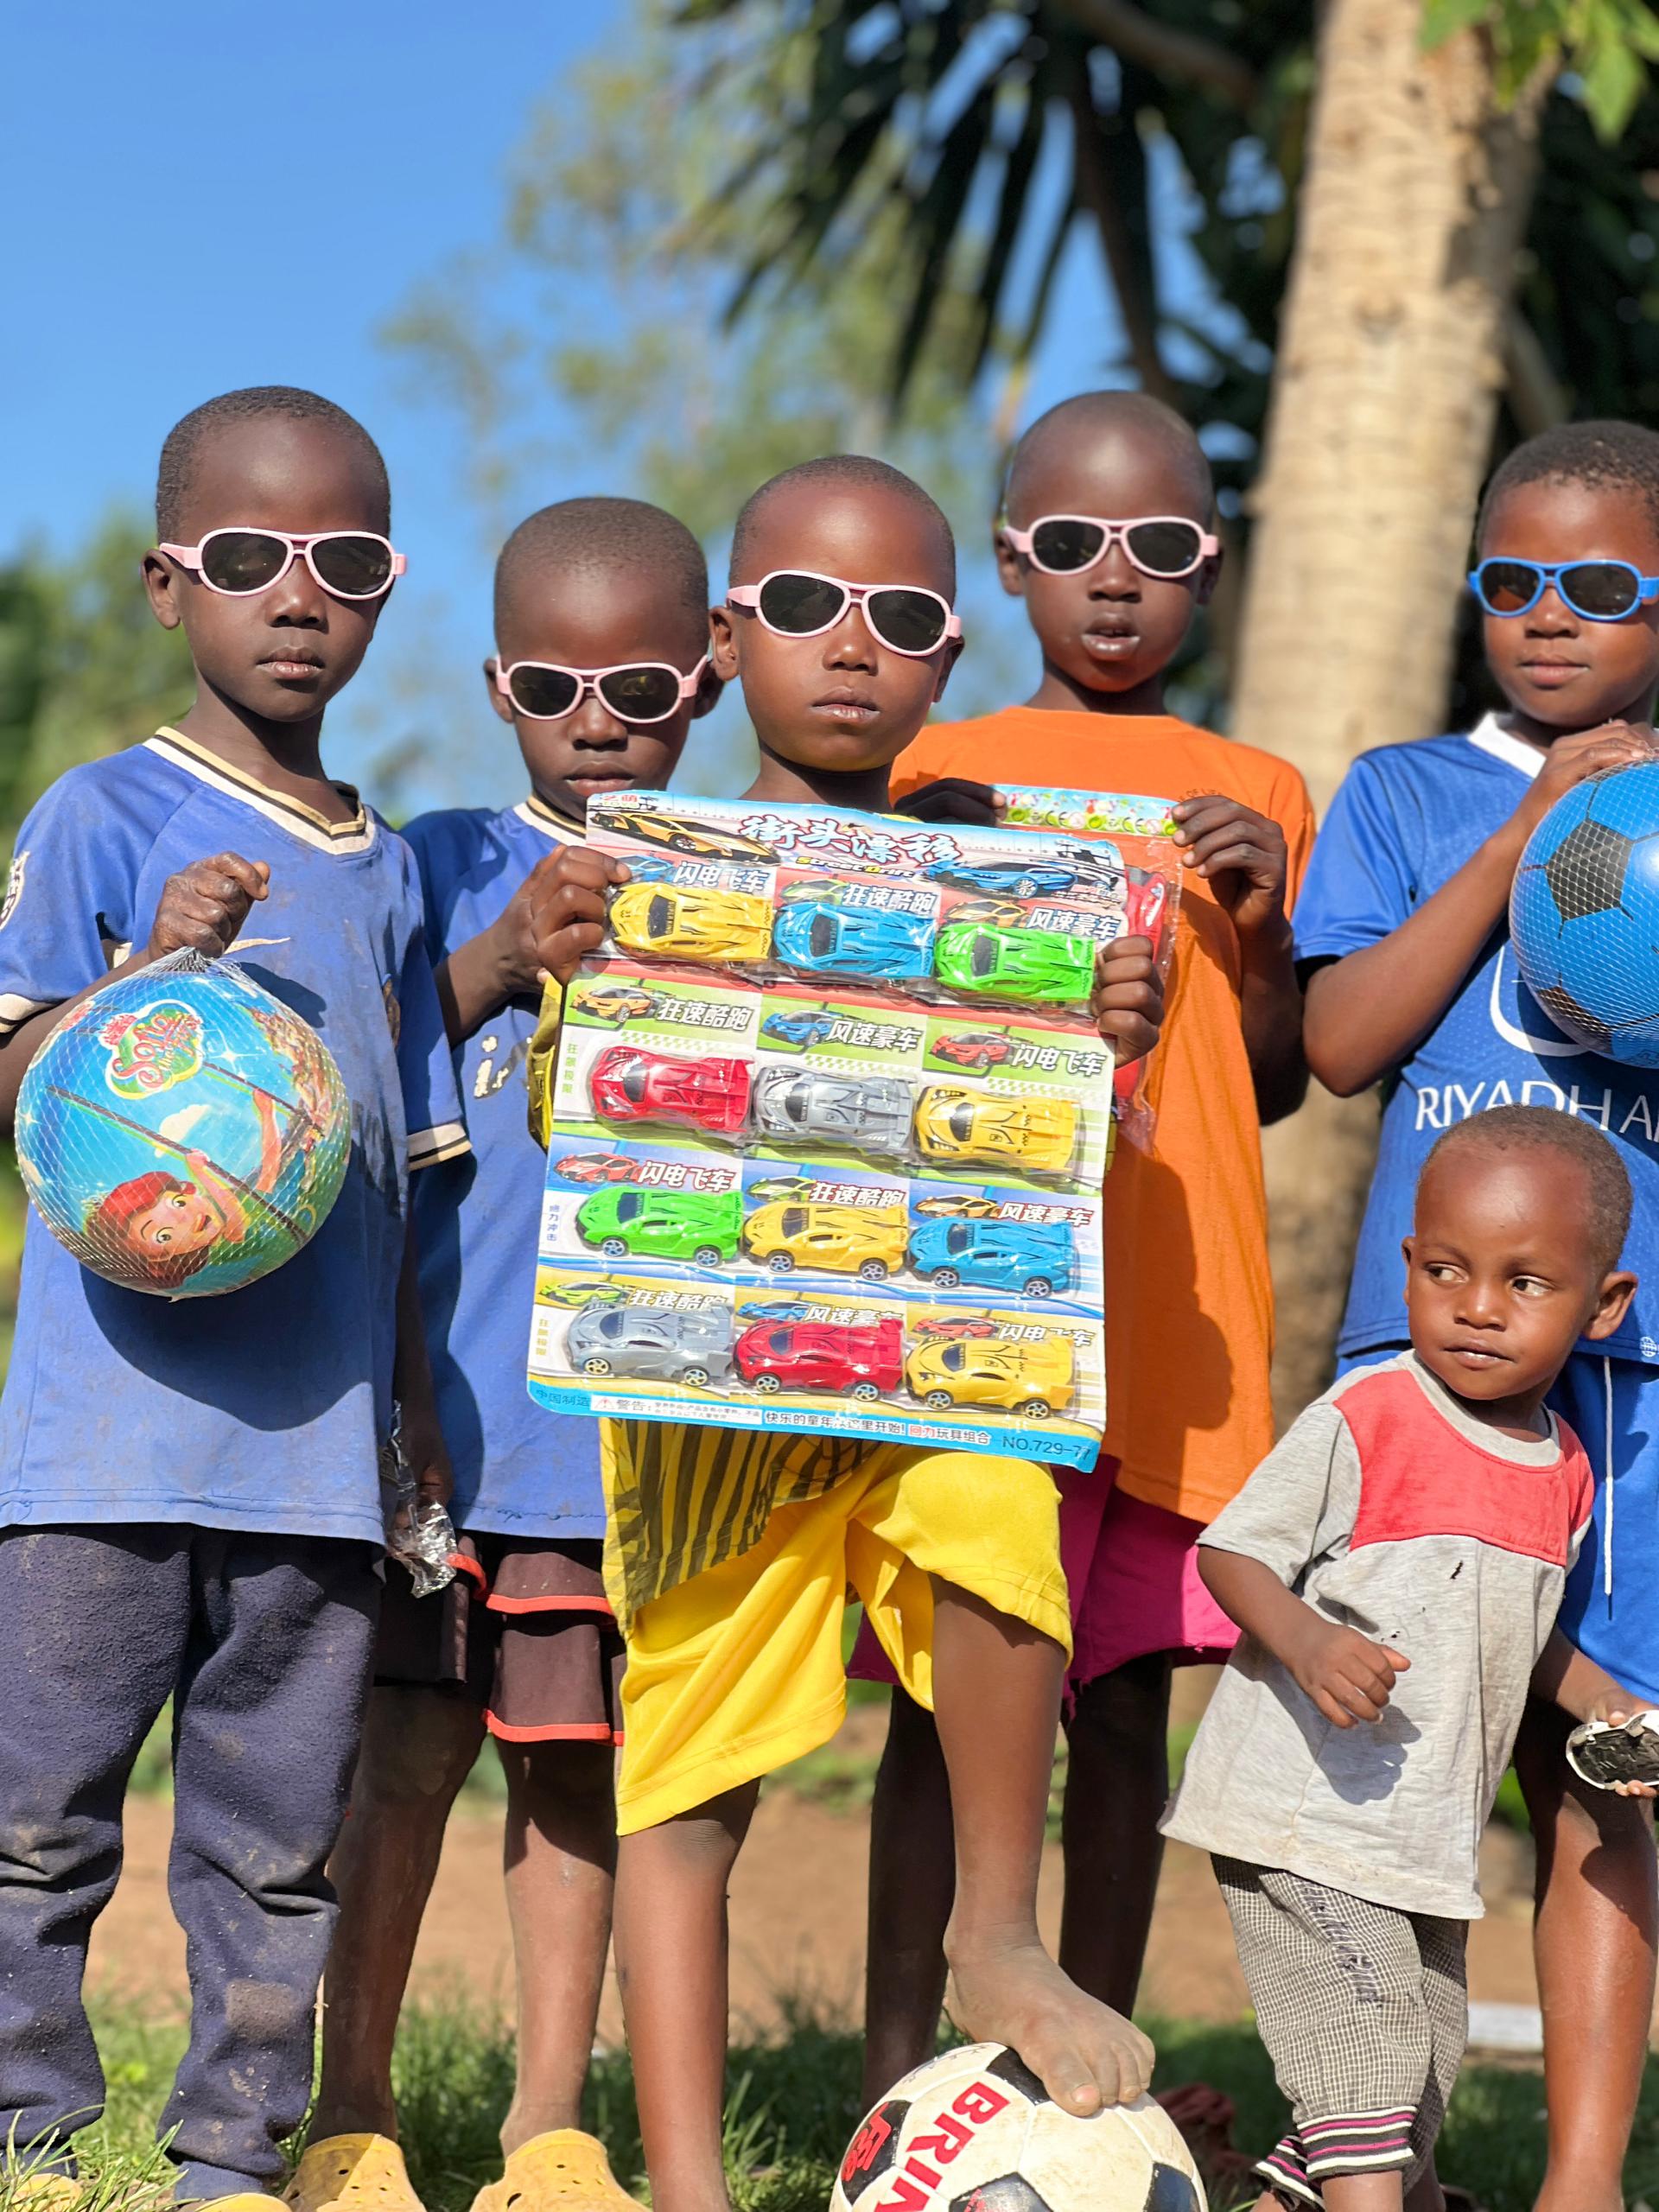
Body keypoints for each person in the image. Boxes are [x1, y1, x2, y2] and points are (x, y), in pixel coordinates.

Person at [526, 454, 1168, 2212]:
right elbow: (568, 1145)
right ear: (732, 638)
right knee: (695, 1759)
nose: (853, 644)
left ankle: (993, 1927)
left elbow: (1061, 1152)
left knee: (995, 1505)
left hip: (935, 1361)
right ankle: (685, 2179)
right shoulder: (633, 866)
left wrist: (1115, 1015)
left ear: (950, 652)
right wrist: (553, 967)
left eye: (900, 617)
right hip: (704, 1402)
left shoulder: (1013, 883)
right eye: (807, 604)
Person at [0, 388, 466, 2211]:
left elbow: (415, 1174)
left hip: (315, 1470)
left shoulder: (392, 868)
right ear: (166, 583)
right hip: (97, 1455)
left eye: (344, 563)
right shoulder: (104, 813)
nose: (299, 595)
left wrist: (416, 1431)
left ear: (380, 592)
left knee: (276, 1840)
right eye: (252, 559)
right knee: (37, 1814)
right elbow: (23, 1075)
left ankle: (231, 2155)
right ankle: (28, 2129)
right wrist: (148, 975)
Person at [855, 390, 1315, 2093]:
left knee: (1125, 1701)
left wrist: (1263, 930)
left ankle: (1082, 2069)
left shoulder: (1256, 786)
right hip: (984, 1297)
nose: (1111, 582)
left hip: (1178, 1308)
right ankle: (903, 2070)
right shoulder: (931, 767)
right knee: (949, 1689)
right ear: (1008, 561)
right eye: (1068, 547)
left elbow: (1270, 1082)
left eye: (1157, 550)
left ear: (1211, 562)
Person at [295, 498, 720, 2212]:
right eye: (554, 680)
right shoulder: (431, 859)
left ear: (705, 679)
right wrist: (506, 952)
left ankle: (552, 2126)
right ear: (495, 685)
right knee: (396, 1765)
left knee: (576, 1772)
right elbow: (355, 1070)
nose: (598, 713)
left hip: (609, 1443)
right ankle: (354, 2106)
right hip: (431, 1420)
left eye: (636, 680)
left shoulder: (750, 882)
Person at [1294, 418, 1659, 2212]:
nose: (1548, 615)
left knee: (1616, 1763)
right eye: (1511, 580)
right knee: (1411, 1765)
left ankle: (1583, 2176)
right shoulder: (1406, 790)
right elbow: (1346, 1042)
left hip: (1635, 1363)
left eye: (1601, 586)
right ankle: (1398, 2162)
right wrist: (1530, 829)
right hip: (1427, 1376)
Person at [1163, 1108, 1649, 2211]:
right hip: (1302, 1822)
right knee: (1369, 2066)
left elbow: (1529, 1641)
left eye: (1525, 1284)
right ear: (1407, 1267)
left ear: (1605, 1304)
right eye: (1447, 1270)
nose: (1478, 1307)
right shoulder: (1371, 1415)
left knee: (1416, 2083)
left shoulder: (1563, 1466)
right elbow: (1234, 1549)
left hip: (1422, 1844)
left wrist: (1608, 1709)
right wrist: (1308, 1637)